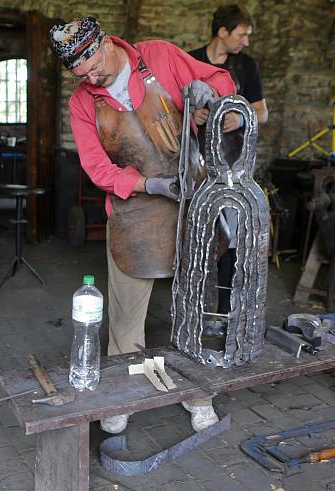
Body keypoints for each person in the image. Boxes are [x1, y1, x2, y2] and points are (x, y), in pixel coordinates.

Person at [50, 17, 236, 433]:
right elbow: (97, 168)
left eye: (94, 68)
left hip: (191, 208)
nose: (93, 79)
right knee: (125, 320)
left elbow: (223, 82)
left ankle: (200, 393)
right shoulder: (83, 101)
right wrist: (148, 183)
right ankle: (123, 397)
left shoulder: (159, 56)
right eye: (82, 76)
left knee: (194, 311)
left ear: (103, 43)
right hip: (134, 213)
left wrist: (211, 95)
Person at [188, 4, 269, 316]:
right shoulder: (191, 61)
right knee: (195, 232)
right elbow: (168, 109)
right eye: (242, 34)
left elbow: (262, 111)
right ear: (223, 32)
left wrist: (242, 116)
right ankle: (192, 305)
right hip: (195, 163)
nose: (246, 41)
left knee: (231, 236)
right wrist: (192, 115)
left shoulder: (246, 66)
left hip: (234, 165)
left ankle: (223, 310)